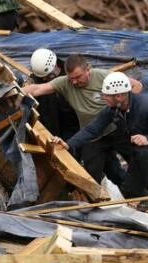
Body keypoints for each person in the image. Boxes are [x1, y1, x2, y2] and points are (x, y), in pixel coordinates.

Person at [52, 71, 148, 210]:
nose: (104, 98)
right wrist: (68, 144)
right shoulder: (115, 109)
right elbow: (92, 129)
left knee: (144, 153)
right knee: (129, 190)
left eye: (106, 95)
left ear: (118, 96)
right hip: (141, 151)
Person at [24, 54, 141, 185]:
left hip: (116, 129)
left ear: (87, 69)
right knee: (93, 175)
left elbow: (136, 85)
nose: (74, 82)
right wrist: (12, 91)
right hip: (92, 136)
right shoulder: (64, 83)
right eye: (71, 78)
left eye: (78, 77)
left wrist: (126, 109)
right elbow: (37, 88)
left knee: (138, 159)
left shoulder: (104, 76)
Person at [28, 48, 79, 141]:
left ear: (55, 66)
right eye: (42, 77)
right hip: (49, 122)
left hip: (69, 123)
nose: (44, 80)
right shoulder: (39, 77)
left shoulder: (71, 76)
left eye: (48, 76)